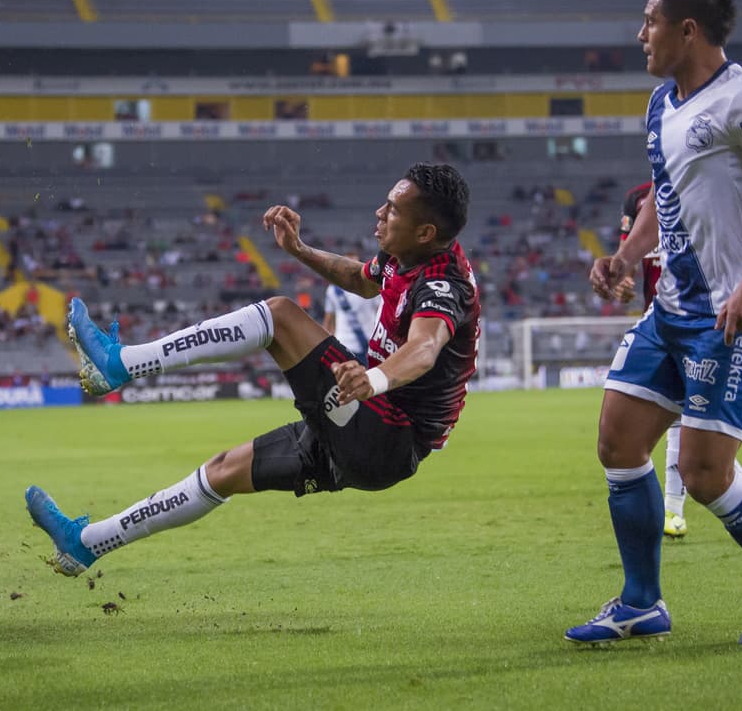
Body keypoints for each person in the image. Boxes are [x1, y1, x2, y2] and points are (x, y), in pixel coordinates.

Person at [25, 163, 478, 577]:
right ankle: (86, 544)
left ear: (425, 232)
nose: (379, 212)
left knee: (281, 316)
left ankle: (120, 366)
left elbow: (424, 347)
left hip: (386, 433)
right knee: (224, 470)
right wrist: (299, 250)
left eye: (393, 210)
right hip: (364, 429)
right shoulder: (407, 256)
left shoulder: (444, 284)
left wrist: (375, 378)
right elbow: (361, 279)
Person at [568, 0, 742, 646]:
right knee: (618, 439)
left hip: (730, 317)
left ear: (687, 29)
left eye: (650, 22)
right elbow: (661, 195)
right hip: (671, 311)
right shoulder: (661, 103)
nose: (640, 33)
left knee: (704, 474)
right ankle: (641, 601)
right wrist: (626, 256)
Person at [322, 256, 382, 364]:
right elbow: (328, 320)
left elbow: (380, 313)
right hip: (344, 344)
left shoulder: (372, 286)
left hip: (369, 344)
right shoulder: (332, 290)